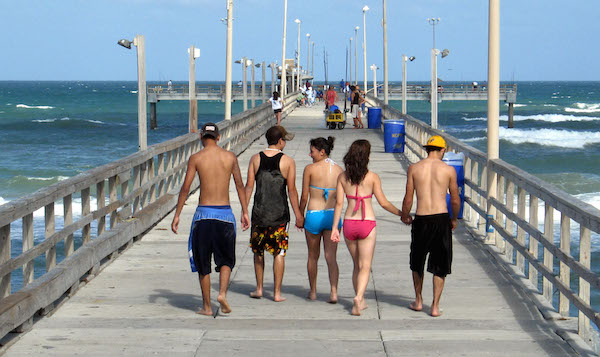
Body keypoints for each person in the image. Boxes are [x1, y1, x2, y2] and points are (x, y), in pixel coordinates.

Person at [171, 123, 250, 316]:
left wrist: (177, 214)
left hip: (203, 215)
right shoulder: (229, 157)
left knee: (203, 263)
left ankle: (207, 307)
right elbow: (240, 185)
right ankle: (222, 294)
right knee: (226, 259)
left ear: (201, 137)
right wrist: (245, 211)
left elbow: (185, 188)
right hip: (225, 215)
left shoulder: (196, 158)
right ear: (218, 137)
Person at [331, 140, 401, 316]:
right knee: (365, 265)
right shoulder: (372, 177)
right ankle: (359, 297)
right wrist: (401, 213)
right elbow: (383, 203)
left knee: (357, 265)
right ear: (367, 156)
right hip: (367, 223)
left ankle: (359, 300)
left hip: (349, 223)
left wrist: (334, 228)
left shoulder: (342, 177)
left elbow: (339, 203)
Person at [400, 135, 460, 317]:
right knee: (440, 263)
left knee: (417, 261)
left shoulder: (414, 168)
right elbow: (455, 199)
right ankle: (435, 306)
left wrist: (404, 215)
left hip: (422, 218)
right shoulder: (448, 170)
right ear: (443, 150)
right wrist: (454, 218)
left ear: (427, 149)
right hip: (441, 218)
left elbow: (409, 197)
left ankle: (418, 301)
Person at [245, 126, 304, 302]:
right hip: (279, 214)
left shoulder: (255, 159)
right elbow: (291, 191)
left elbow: (249, 186)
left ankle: (259, 289)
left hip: (259, 213)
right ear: (279, 141)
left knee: (258, 251)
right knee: (279, 252)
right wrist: (299, 215)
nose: (285, 143)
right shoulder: (288, 161)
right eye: (284, 140)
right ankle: (277, 293)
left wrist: (243, 210)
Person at [299, 137, 344, 303]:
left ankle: (313, 291)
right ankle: (333, 292)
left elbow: (304, 196)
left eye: (312, 151)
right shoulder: (339, 170)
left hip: (314, 214)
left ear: (322, 151)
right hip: (333, 215)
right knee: (331, 256)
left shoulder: (310, 169)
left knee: (312, 256)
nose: (310, 154)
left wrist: (299, 215)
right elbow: (341, 197)